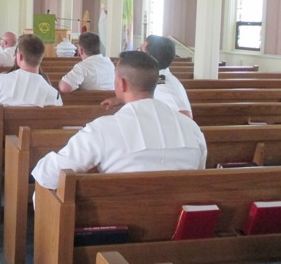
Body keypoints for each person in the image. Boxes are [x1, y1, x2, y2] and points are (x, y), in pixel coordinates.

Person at [32, 51, 207, 191]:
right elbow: (200, 173)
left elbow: (49, 175)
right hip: (179, 226)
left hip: (116, 229)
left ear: (121, 84)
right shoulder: (190, 127)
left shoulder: (103, 129)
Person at [0, 34, 62, 123]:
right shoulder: (53, 94)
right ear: (41, 58)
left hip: (2, 138)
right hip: (40, 138)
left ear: (20, 56)